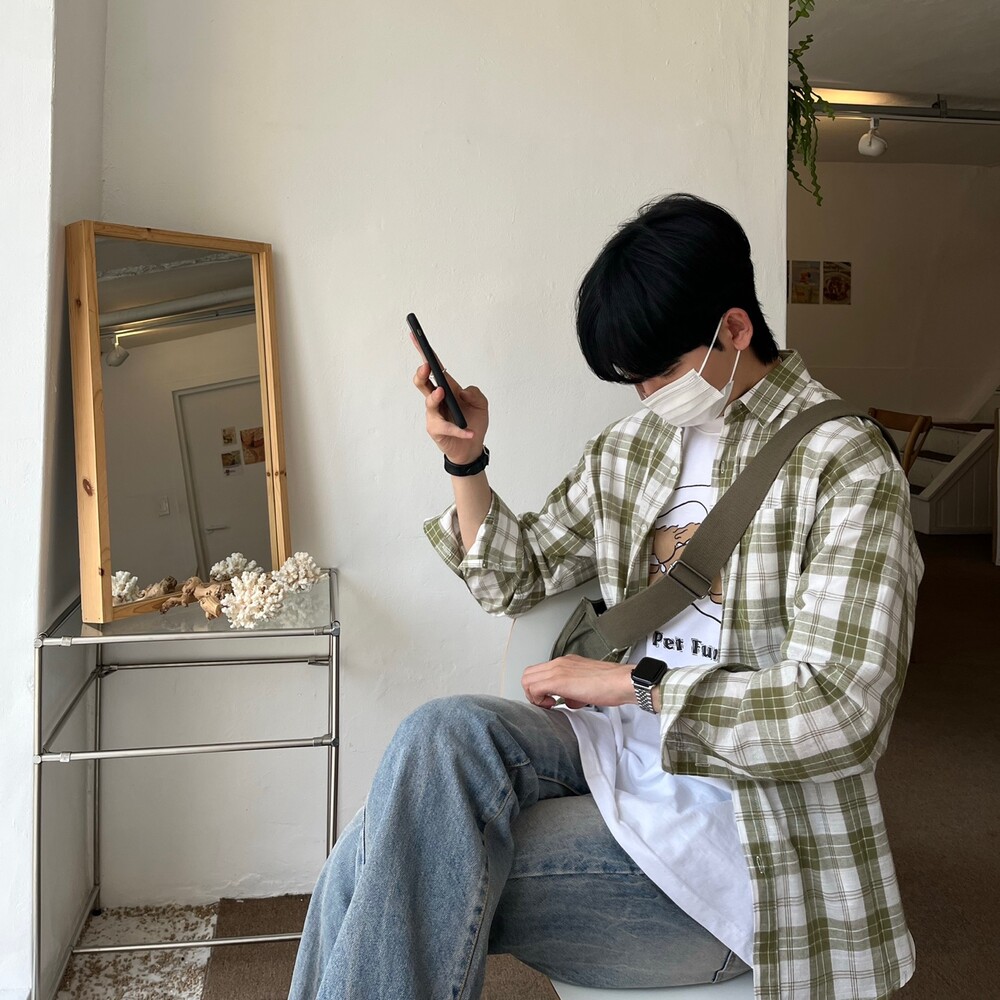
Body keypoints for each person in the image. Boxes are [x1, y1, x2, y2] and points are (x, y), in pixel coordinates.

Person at [288, 194, 921, 1000]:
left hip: (746, 842)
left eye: (660, 372)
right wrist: (466, 461)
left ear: (734, 329)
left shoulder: (846, 466)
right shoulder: (635, 447)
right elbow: (516, 577)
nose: (646, 393)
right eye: (632, 378)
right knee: (439, 734)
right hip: (615, 760)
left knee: (378, 866)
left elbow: (840, 713)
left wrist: (633, 683)